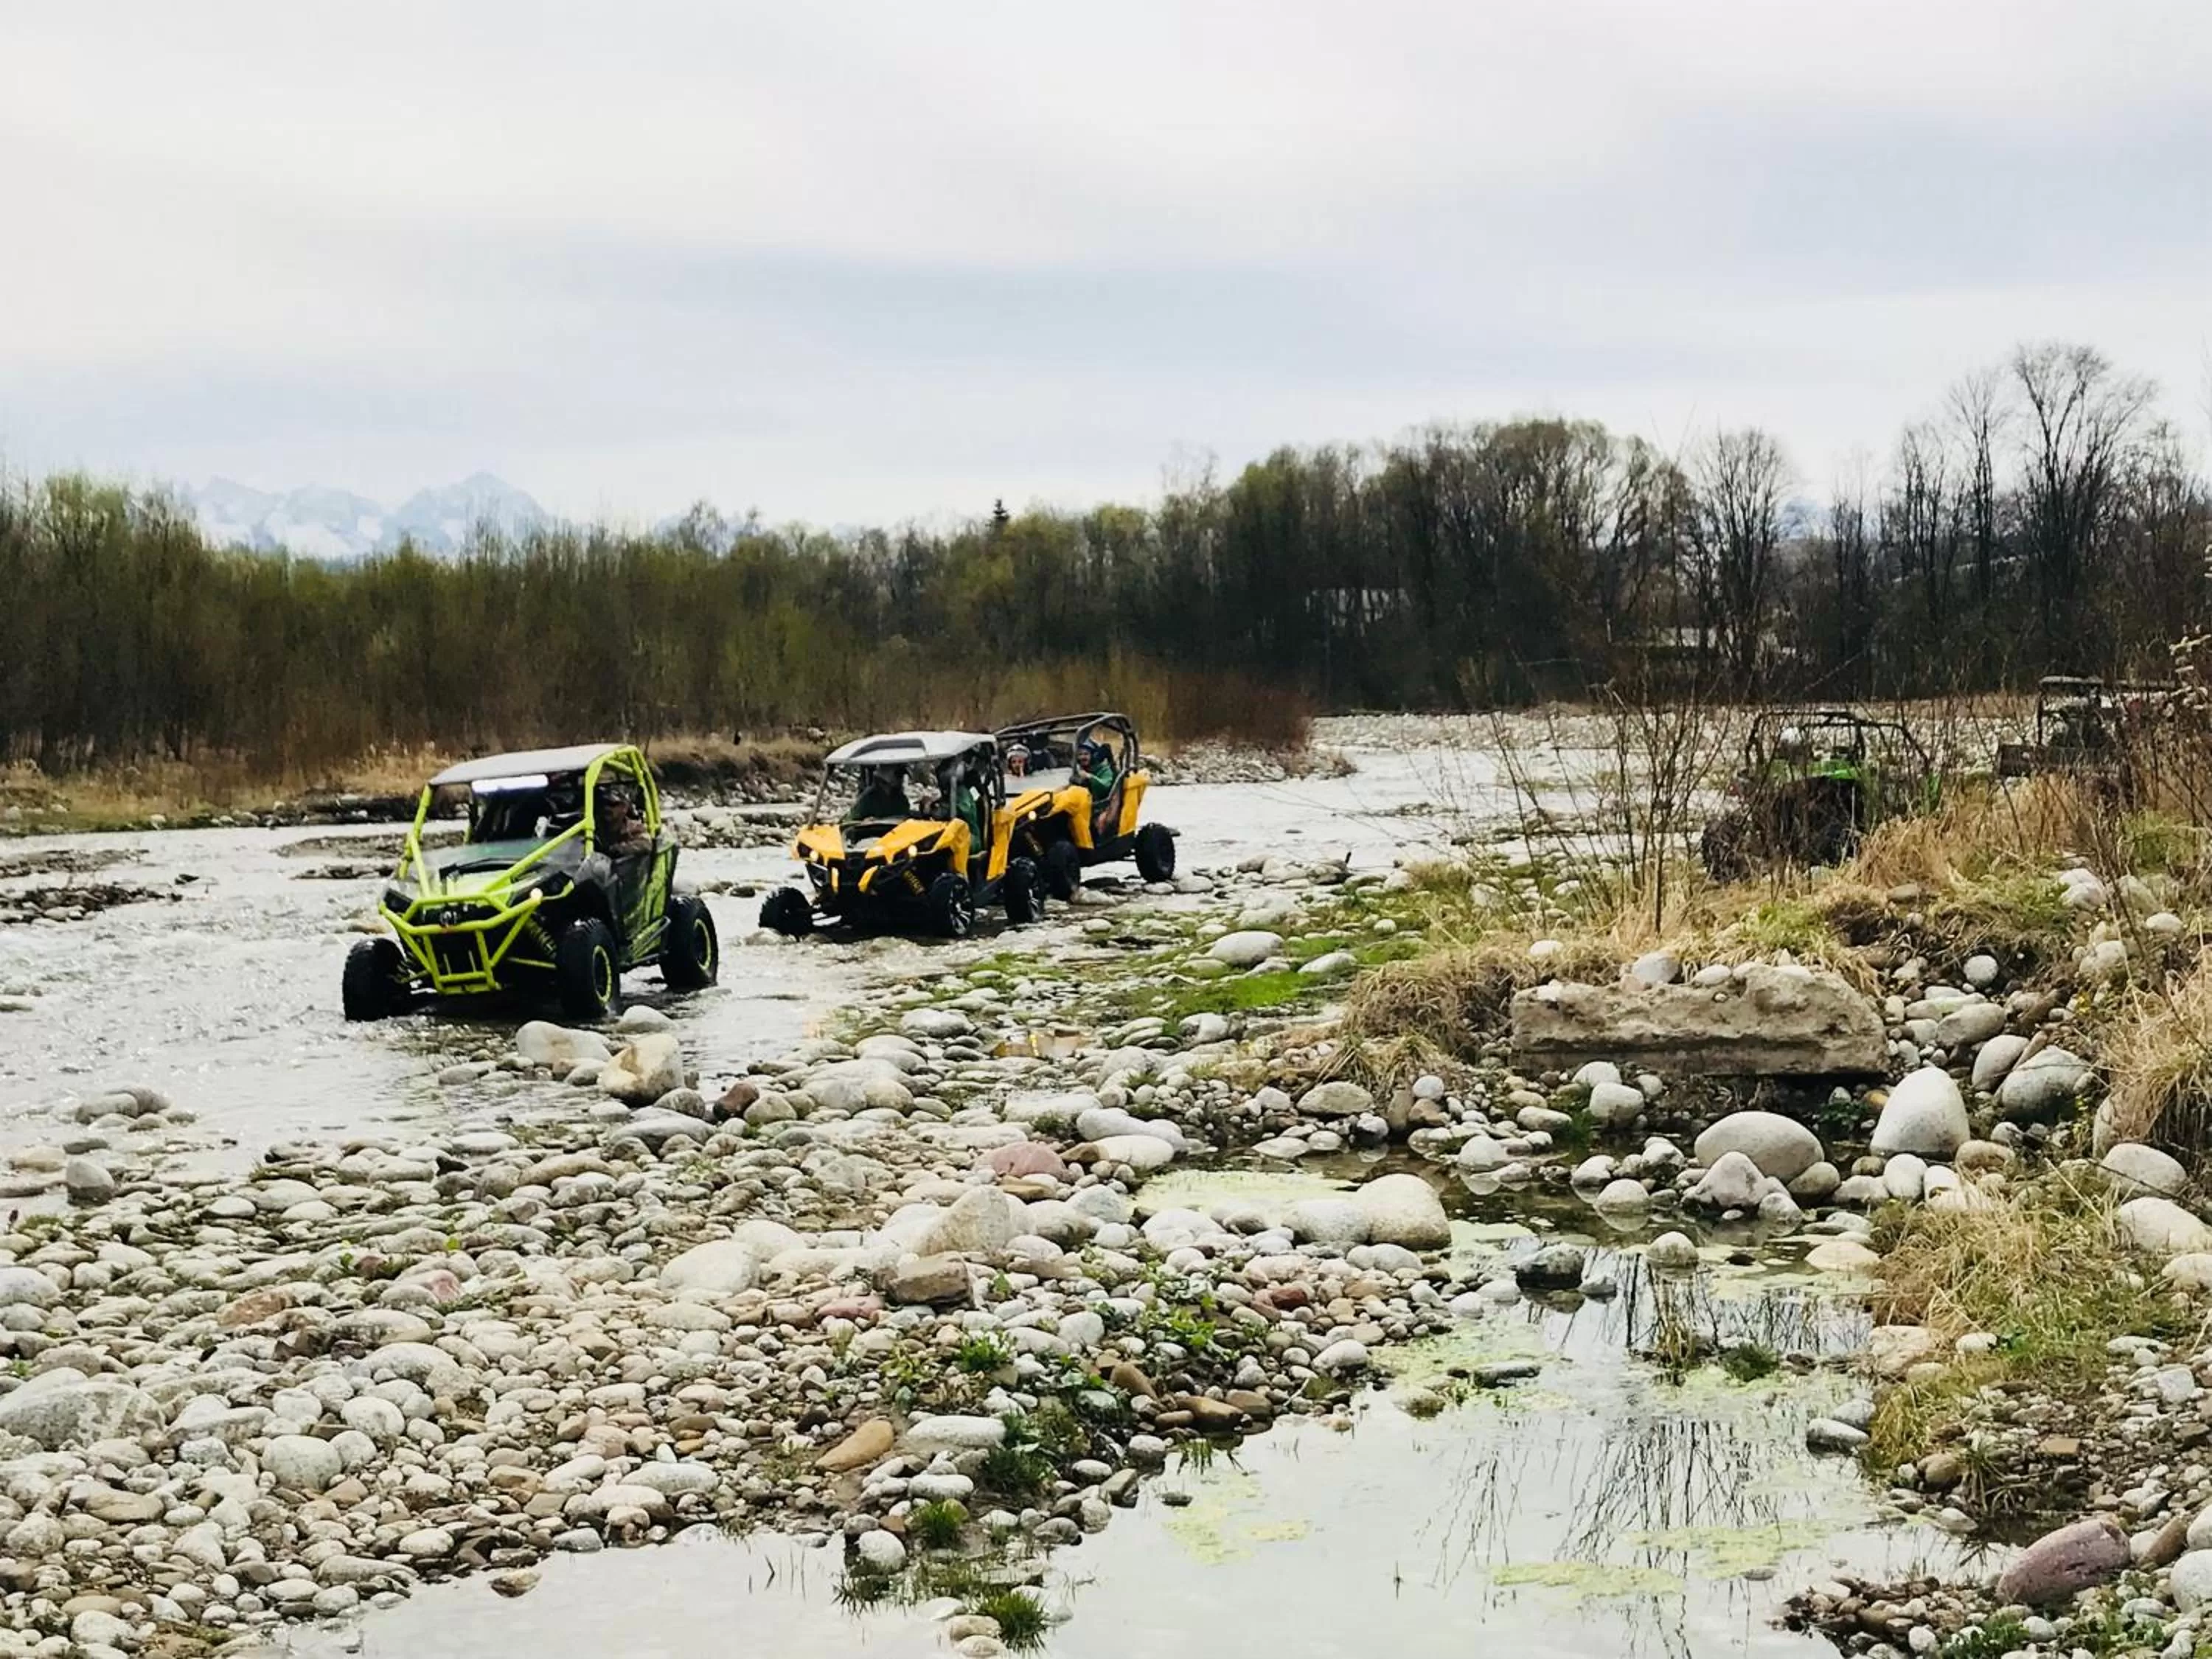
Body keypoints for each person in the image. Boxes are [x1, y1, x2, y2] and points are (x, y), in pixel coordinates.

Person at [846, 765, 911, 822]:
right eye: (899, 776)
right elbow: (850, 821)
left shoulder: (901, 798)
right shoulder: (868, 798)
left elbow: (906, 817)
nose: (902, 779)